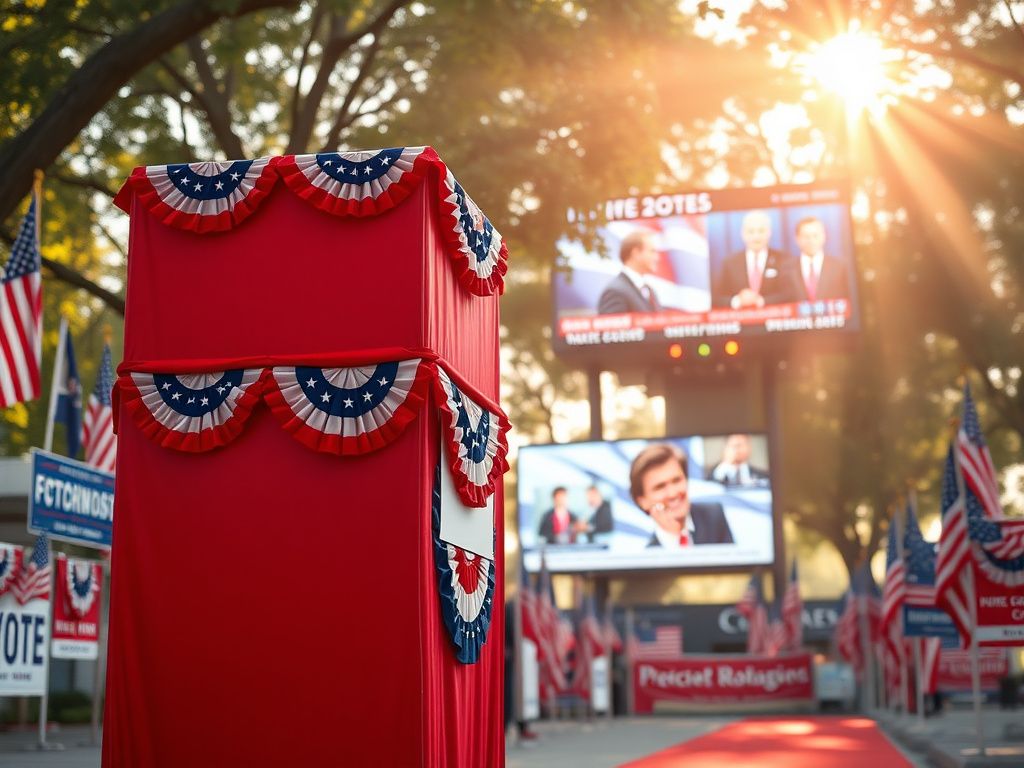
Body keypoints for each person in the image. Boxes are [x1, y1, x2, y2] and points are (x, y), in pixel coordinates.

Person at [629, 443, 733, 547]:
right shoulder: (649, 554)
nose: (673, 493)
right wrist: (674, 537)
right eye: (660, 487)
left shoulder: (714, 516)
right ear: (642, 501)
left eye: (676, 480)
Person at [714, 210, 798, 308]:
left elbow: (790, 294)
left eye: (761, 231)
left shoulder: (784, 259)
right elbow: (717, 298)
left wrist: (760, 301)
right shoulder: (730, 262)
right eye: (751, 231)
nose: (756, 236)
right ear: (743, 234)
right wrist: (738, 300)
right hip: (740, 316)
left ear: (769, 233)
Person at [596, 230, 663, 314]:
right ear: (636, 253)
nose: (657, 258)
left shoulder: (650, 291)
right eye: (652, 251)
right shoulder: (615, 292)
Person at [788, 216, 849, 302]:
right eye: (806, 236)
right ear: (797, 239)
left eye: (815, 235)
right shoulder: (786, 268)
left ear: (824, 236)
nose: (811, 240)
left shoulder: (840, 266)